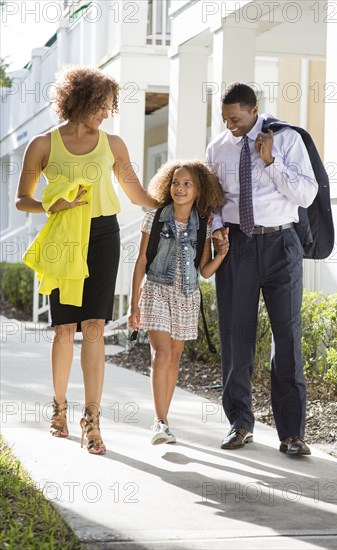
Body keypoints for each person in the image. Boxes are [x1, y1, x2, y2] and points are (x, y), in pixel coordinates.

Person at [16, 66, 157, 455]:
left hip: (102, 236)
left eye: (109, 106)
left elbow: (136, 193)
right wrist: (52, 204)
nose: (107, 113)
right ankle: (59, 408)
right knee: (65, 328)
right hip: (64, 237)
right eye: (102, 105)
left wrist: (173, 202)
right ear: (80, 100)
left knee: (94, 325)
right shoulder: (42, 145)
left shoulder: (113, 144)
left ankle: (92, 420)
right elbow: (21, 199)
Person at [206, 82, 318, 456]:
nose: (230, 126)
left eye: (235, 119)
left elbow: (305, 194)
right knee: (236, 336)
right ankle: (239, 423)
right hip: (237, 246)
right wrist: (217, 226)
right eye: (225, 119)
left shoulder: (286, 141)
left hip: (281, 244)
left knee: (286, 337)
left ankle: (292, 434)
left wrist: (271, 162)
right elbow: (215, 199)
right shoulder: (218, 147)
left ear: (255, 110)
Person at [128, 160, 227, 444]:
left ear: (198, 190)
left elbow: (205, 271)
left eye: (187, 184)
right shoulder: (156, 217)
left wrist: (220, 254)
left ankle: (164, 421)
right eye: (175, 183)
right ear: (166, 186)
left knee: (173, 358)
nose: (180, 189)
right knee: (160, 354)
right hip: (157, 289)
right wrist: (134, 304)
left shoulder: (203, 225)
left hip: (187, 295)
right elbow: (142, 260)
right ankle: (159, 422)